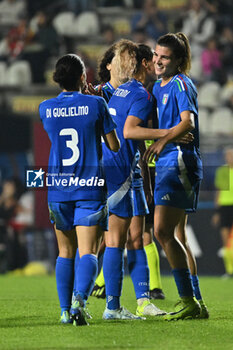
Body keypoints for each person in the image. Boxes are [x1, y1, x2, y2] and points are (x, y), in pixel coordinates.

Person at [124, 32, 208, 320]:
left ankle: (190, 300)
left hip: (180, 163)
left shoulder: (181, 84)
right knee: (171, 233)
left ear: (179, 61)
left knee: (162, 232)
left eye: (165, 57)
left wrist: (162, 141)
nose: (158, 61)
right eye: (157, 55)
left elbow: (188, 122)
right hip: (167, 164)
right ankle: (194, 299)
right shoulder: (159, 87)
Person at [39, 53, 120, 326]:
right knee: (89, 251)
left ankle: (64, 312)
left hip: (59, 189)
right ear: (83, 77)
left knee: (65, 252)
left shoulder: (45, 108)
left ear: (57, 79)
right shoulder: (97, 103)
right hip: (89, 187)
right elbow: (114, 145)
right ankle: (79, 302)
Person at [91, 41, 165, 303]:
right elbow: (130, 132)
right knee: (112, 238)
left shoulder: (118, 92)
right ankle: (99, 295)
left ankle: (146, 294)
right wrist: (167, 135)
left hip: (135, 168)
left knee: (136, 235)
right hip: (117, 171)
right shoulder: (104, 93)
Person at [212, 147, 233, 277]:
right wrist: (217, 211)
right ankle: (230, 271)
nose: (230, 157)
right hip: (225, 207)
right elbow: (219, 191)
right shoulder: (222, 171)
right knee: (225, 239)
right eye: (228, 155)